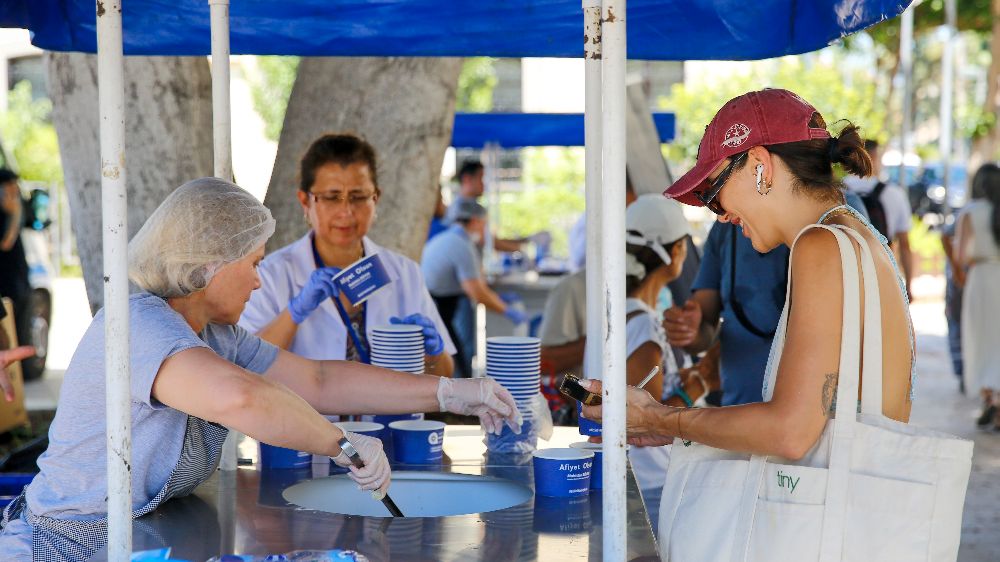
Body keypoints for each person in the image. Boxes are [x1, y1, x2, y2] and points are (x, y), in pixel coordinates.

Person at [0, 178, 520, 560]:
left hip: (133, 537)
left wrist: (449, 391)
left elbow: (319, 380)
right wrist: (340, 443)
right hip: (58, 543)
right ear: (208, 264)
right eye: (252, 264)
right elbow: (240, 398)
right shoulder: (137, 324)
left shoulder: (216, 335)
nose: (257, 281)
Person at [582, 88, 914, 523]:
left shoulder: (820, 245)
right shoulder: (860, 238)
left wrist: (659, 418)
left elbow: (789, 431)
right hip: (861, 515)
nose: (720, 214)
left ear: (760, 165)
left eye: (715, 191)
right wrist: (665, 422)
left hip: (835, 527)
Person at [240, 134, 455, 377]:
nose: (346, 212)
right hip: (301, 404)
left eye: (358, 197)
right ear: (305, 201)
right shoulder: (270, 275)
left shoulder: (405, 273)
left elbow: (445, 373)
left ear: (375, 198)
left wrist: (433, 354)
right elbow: (246, 366)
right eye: (332, 198)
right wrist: (294, 314)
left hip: (389, 403)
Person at [665, 190, 869, 407]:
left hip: (821, 413)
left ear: (762, 171)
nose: (721, 214)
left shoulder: (835, 216)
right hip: (742, 410)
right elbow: (704, 325)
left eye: (720, 183)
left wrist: (664, 418)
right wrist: (689, 330)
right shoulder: (725, 229)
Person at [581, 195, 691, 524]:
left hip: (626, 474)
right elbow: (643, 418)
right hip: (650, 481)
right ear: (676, 251)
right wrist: (700, 381)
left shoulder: (611, 313)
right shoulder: (643, 325)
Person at [422, 199, 527, 378]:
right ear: (475, 221)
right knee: (455, 364)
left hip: (440, 304)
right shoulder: (460, 245)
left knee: (456, 358)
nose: (484, 231)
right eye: (484, 225)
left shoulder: (452, 238)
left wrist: (497, 298)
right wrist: (507, 311)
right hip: (435, 307)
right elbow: (477, 293)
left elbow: (478, 283)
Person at [954, 163, 1000, 429]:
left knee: (981, 338)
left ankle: (989, 397)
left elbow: (960, 257)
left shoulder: (970, 212)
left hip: (981, 278)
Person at [844, 139, 914, 296]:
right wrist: (908, 286)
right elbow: (904, 245)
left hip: (845, 274)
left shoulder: (836, 191)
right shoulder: (894, 193)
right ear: (875, 158)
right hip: (882, 273)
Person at [0, 169, 32, 377]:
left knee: (20, 332)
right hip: (6, 285)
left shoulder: (16, 207)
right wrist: (14, 214)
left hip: (20, 282)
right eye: (9, 186)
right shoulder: (8, 213)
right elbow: (6, 243)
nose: (15, 190)